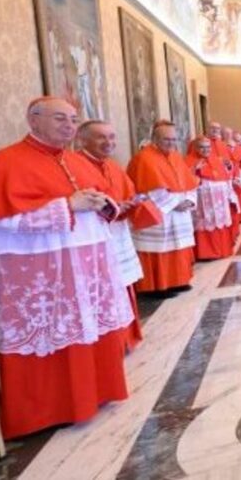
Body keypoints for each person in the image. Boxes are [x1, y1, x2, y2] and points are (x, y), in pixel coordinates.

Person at [0, 97, 135, 439]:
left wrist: (106, 206)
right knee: (46, 332)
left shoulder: (77, 161)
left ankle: (95, 393)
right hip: (40, 272)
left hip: (86, 268)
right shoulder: (4, 163)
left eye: (73, 120)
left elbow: (105, 204)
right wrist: (68, 205)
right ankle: (45, 410)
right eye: (60, 119)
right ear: (34, 120)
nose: (69, 126)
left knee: (87, 326)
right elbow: (2, 221)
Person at [77, 120, 152, 351]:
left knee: (123, 283)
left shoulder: (113, 165)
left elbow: (128, 191)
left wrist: (131, 204)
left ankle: (127, 338)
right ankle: (113, 344)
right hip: (96, 238)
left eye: (111, 137)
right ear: (83, 140)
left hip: (117, 233)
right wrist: (116, 207)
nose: (108, 143)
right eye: (101, 137)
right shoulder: (75, 165)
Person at [127, 120, 199, 293]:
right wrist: (175, 203)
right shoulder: (144, 157)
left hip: (179, 211)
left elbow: (188, 181)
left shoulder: (175, 156)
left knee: (178, 245)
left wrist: (190, 199)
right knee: (160, 248)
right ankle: (157, 287)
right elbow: (150, 188)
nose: (171, 143)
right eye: (167, 140)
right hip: (159, 212)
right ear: (155, 139)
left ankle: (179, 280)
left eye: (174, 140)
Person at [186, 137, 236, 260]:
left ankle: (222, 250)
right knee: (205, 222)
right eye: (202, 147)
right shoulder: (189, 160)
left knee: (219, 221)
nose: (206, 150)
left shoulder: (216, 159)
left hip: (219, 200)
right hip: (203, 201)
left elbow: (226, 175)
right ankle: (207, 253)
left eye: (208, 147)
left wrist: (228, 167)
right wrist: (195, 170)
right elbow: (185, 179)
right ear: (196, 148)